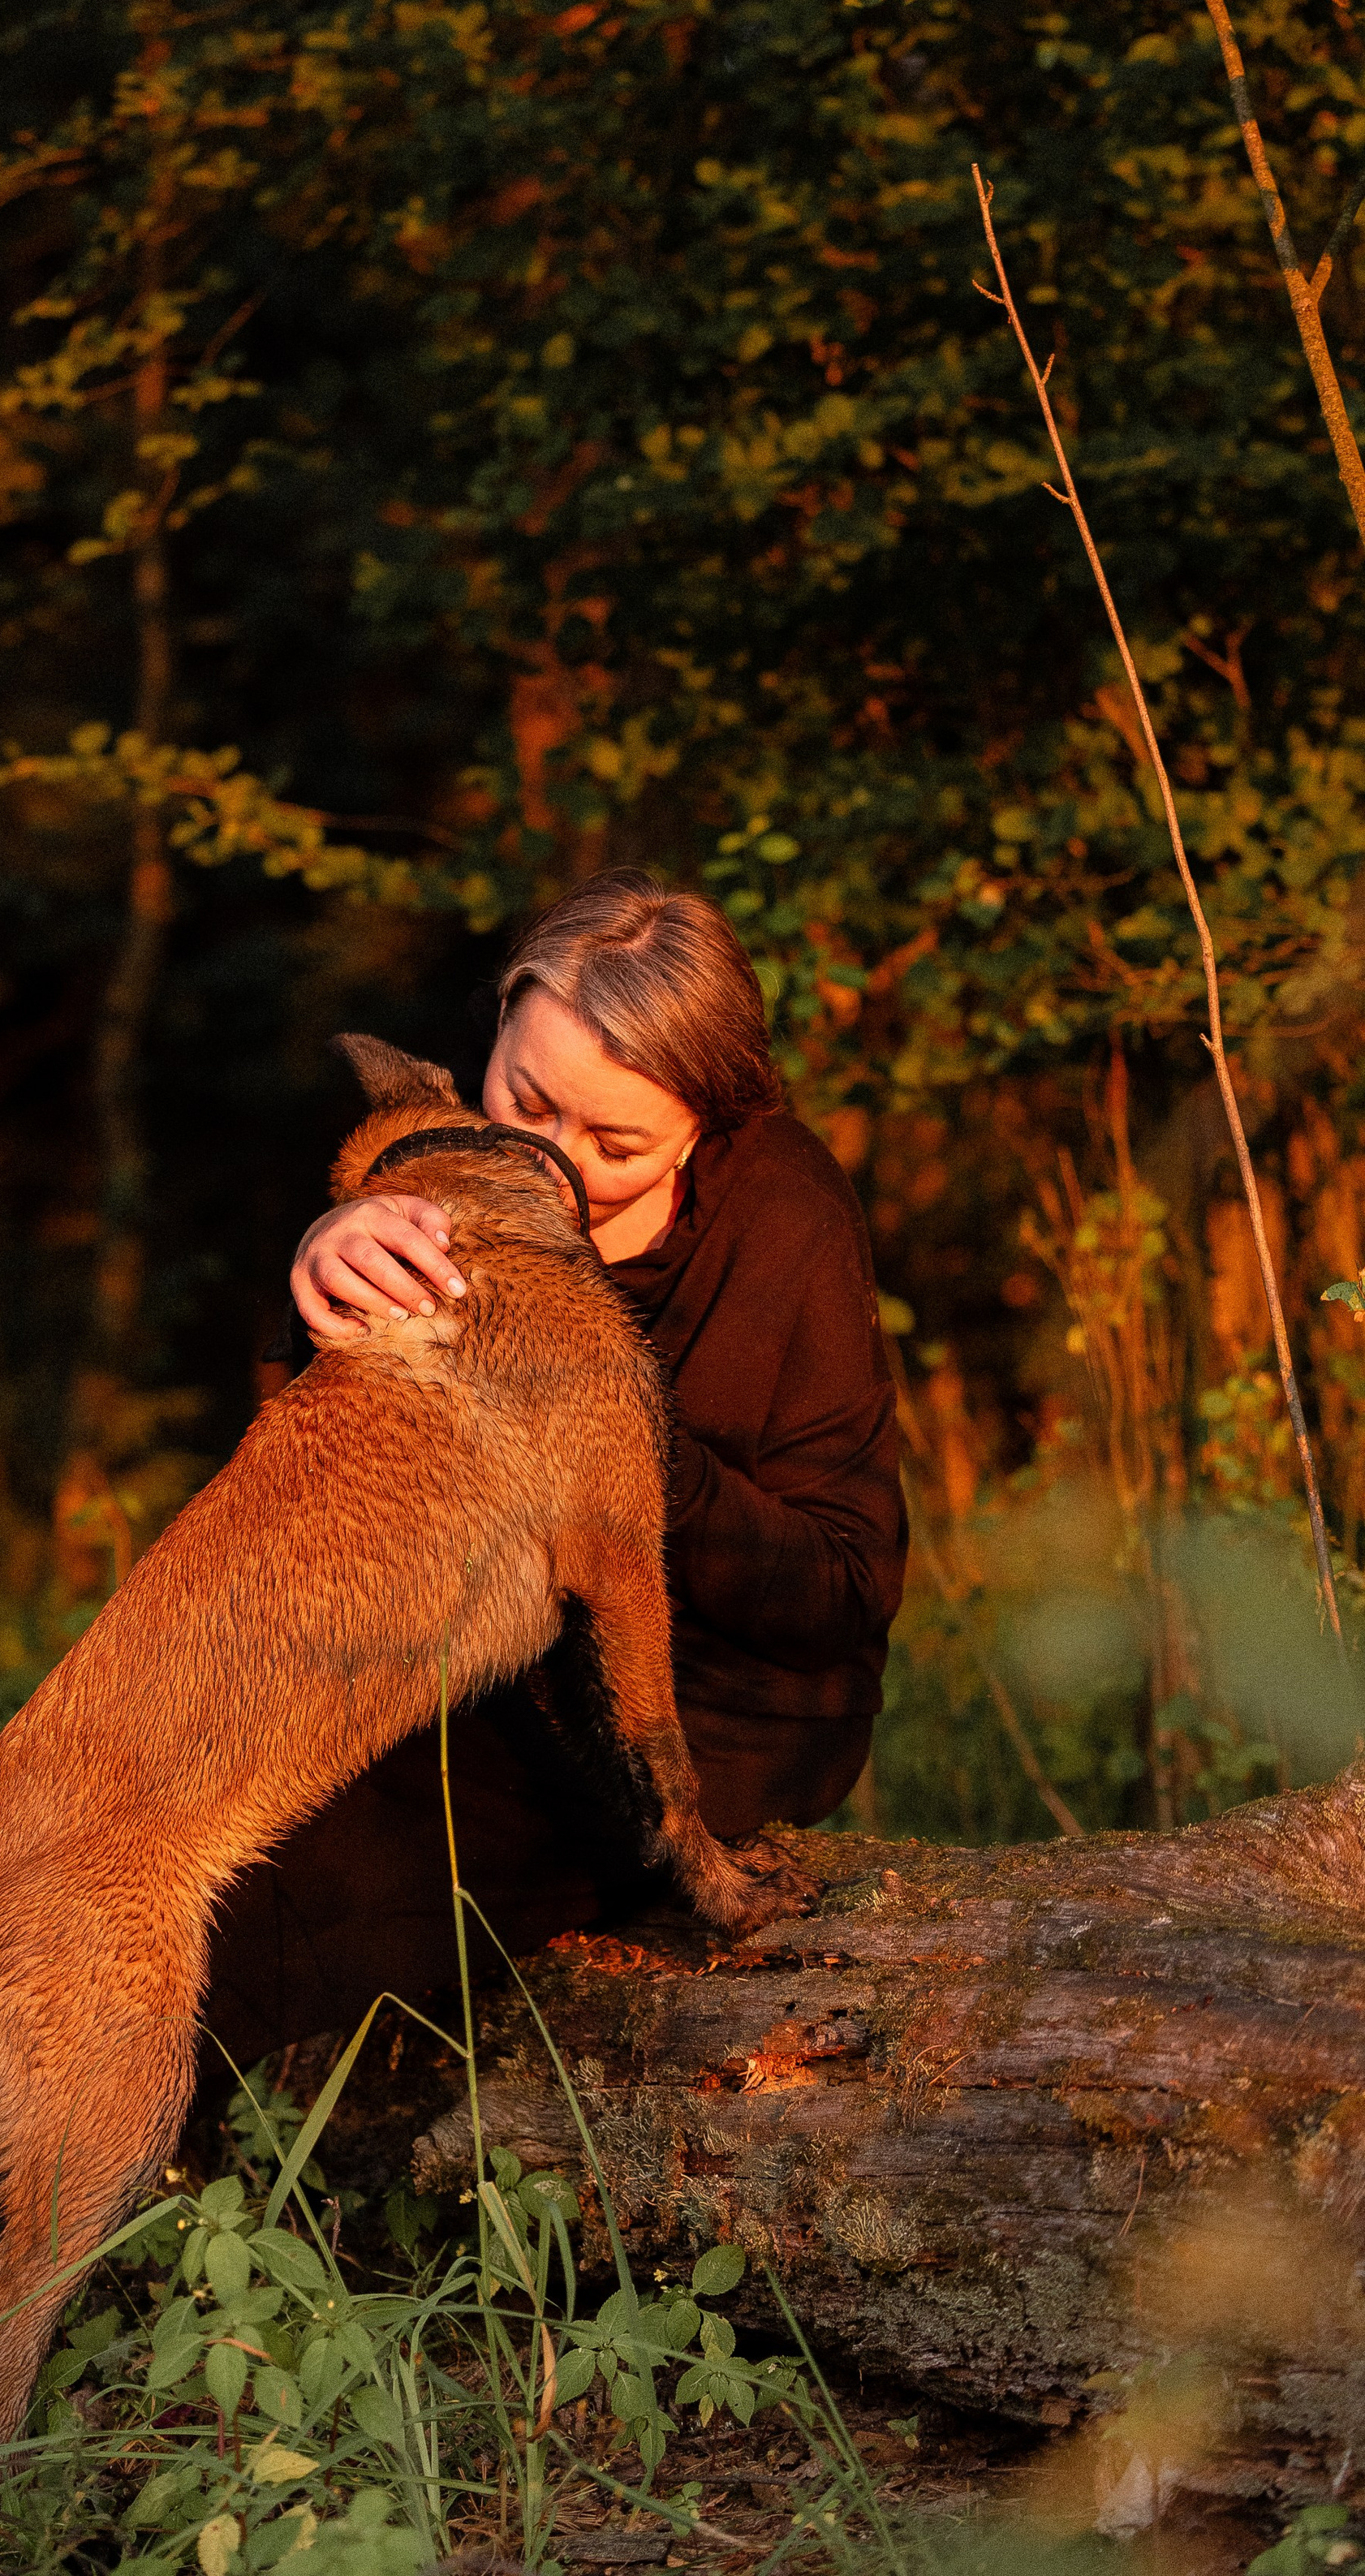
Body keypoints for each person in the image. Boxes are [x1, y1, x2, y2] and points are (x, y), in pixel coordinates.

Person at [197, 867, 906, 2070]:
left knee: (281, 1884)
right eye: (525, 1100)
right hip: (455, 1650)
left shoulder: (788, 1220)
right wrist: (324, 1268)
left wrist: (635, 1458)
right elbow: (301, 1474)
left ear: (705, 1121)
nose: (555, 1165)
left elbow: (846, 1592)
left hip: (701, 1711)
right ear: (502, 1026)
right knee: (137, 1770)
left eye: (616, 1141)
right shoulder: (456, 1156)